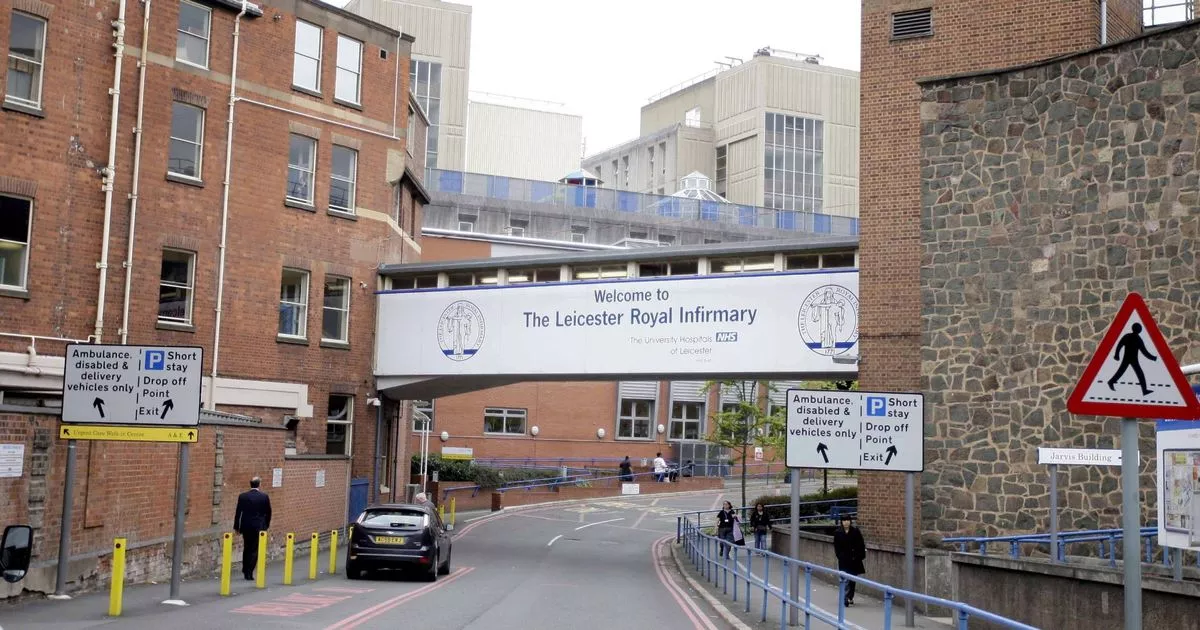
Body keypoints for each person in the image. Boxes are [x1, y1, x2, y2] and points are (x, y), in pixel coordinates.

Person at [234, 476, 272, 581]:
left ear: (250, 484)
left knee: (247, 547)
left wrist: (237, 527)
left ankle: (245, 569)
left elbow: (238, 513)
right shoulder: (264, 496)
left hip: (246, 526)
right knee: (254, 549)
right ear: (259, 484)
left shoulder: (243, 496)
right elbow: (268, 512)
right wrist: (266, 525)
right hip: (258, 527)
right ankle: (249, 572)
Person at [832, 516, 866, 607]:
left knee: (852, 579)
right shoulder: (838, 533)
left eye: (847, 520)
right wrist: (840, 556)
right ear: (841, 522)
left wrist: (859, 556)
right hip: (843, 560)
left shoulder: (855, 531)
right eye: (844, 520)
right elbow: (836, 547)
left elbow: (861, 544)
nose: (846, 522)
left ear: (850, 521)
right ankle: (845, 598)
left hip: (854, 559)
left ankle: (850, 596)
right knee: (844, 579)